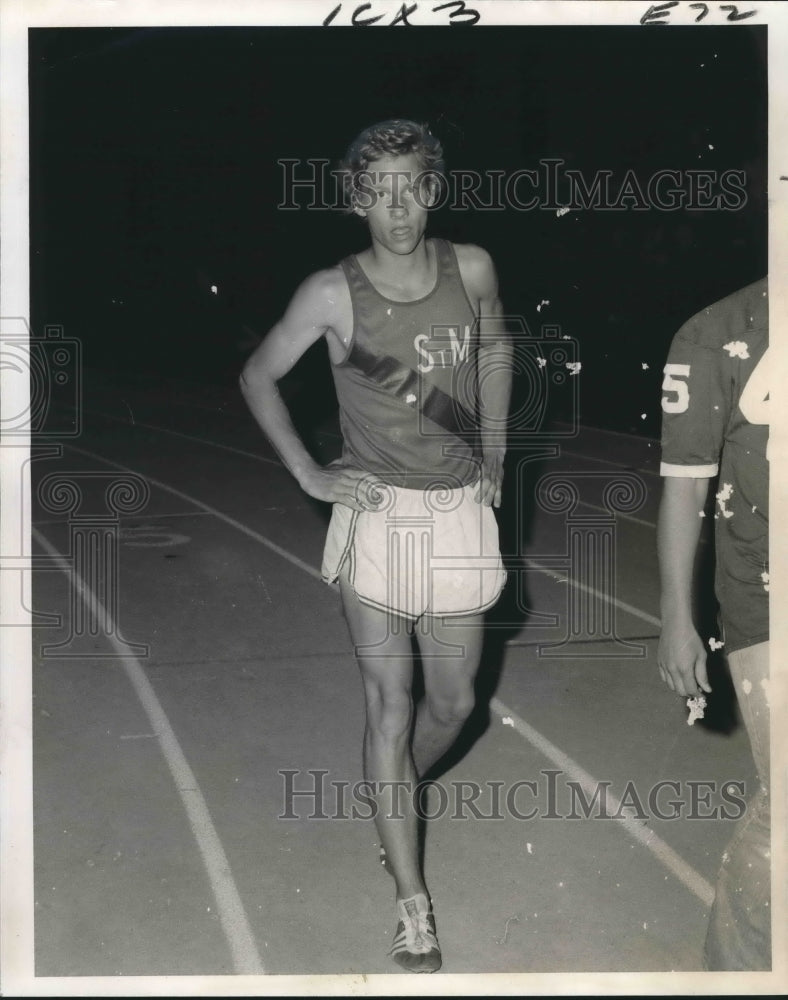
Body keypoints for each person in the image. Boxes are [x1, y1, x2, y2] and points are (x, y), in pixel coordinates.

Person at [240, 119, 512, 973]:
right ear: (356, 199)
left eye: (412, 184)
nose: (397, 206)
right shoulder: (329, 292)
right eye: (378, 189)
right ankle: (412, 902)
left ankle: (397, 795)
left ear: (434, 187)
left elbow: (498, 344)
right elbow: (257, 376)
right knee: (388, 708)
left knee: (455, 704)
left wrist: (498, 453)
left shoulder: (472, 268)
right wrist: (311, 478)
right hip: (378, 515)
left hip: (458, 508)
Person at [656, 277, 770, 970]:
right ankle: (738, 973)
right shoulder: (714, 332)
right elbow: (685, 484)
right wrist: (677, 617)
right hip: (766, 597)